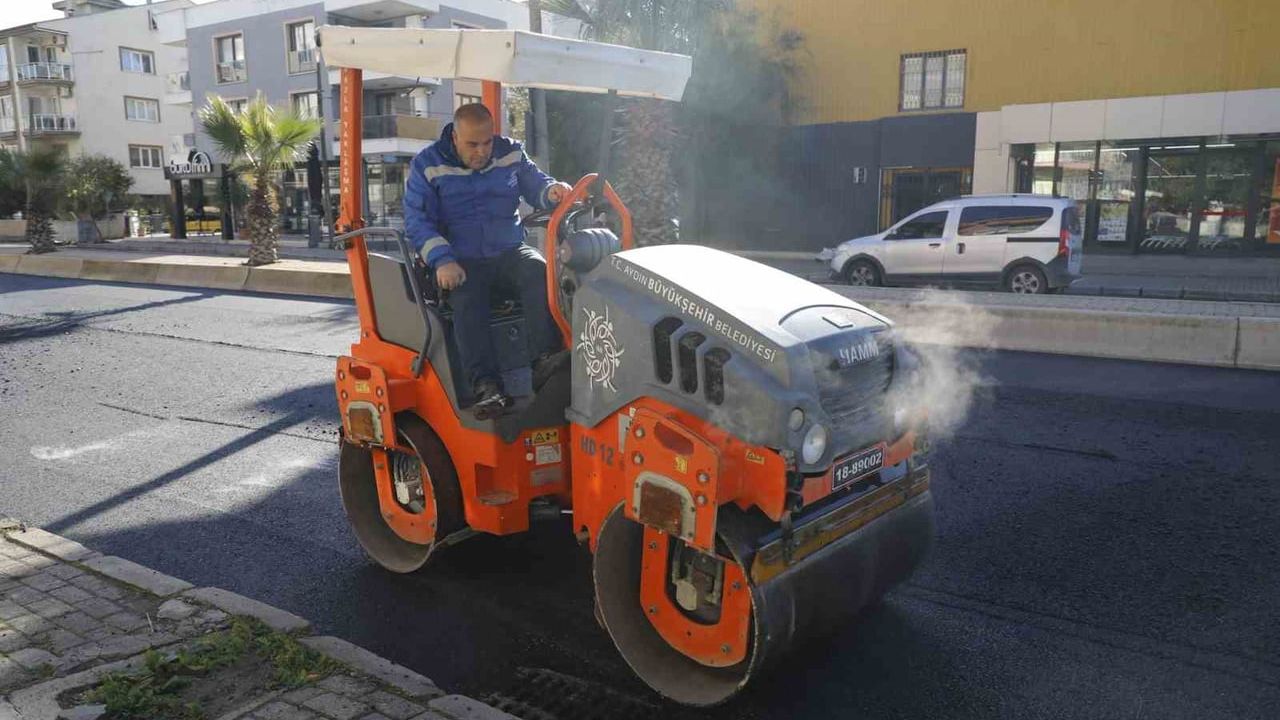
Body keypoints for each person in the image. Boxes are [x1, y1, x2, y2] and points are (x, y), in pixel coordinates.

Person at [404, 103, 572, 418]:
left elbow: (536, 183)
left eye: (486, 142)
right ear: (454, 137)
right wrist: (442, 260)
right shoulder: (427, 165)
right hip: (459, 260)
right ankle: (486, 386)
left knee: (539, 270)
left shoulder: (510, 153)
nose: (481, 151)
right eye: (472, 144)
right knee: (468, 296)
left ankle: (544, 363)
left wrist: (552, 191)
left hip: (507, 251)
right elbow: (417, 221)